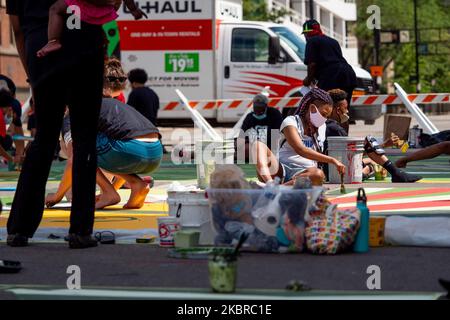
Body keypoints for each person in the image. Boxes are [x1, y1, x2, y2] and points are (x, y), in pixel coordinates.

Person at [7, 0, 106, 249]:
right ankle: (81, 231)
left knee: (44, 139)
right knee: (84, 139)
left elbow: (17, 29)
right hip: (83, 43)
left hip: (40, 47)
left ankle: (19, 229)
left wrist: (33, 75)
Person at [45, 97, 163, 210]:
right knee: (104, 146)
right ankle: (136, 183)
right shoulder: (110, 105)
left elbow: (75, 159)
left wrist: (56, 197)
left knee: (82, 147)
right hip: (155, 152)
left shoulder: (71, 116)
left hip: (129, 150)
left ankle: (108, 192)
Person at [325, 89, 422, 183]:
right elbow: (351, 154)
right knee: (369, 142)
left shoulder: (324, 126)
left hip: (328, 167)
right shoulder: (336, 129)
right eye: (345, 109)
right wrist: (383, 145)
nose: (347, 112)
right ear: (338, 110)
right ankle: (395, 173)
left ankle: (391, 172)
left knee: (371, 162)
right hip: (336, 170)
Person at [253, 88, 345, 186]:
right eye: (323, 114)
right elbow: (300, 149)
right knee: (258, 145)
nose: (325, 118)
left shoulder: (322, 127)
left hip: (303, 174)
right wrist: (332, 160)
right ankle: (269, 183)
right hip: (279, 170)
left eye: (327, 116)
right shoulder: (290, 122)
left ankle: (277, 188)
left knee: (318, 175)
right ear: (312, 108)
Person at [37, 0, 146, 57]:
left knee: (55, 9)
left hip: (85, 6)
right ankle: (103, 37)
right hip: (106, 8)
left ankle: (53, 40)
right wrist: (133, 9)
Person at [302, 19, 357, 133]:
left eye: (305, 34)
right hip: (348, 73)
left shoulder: (311, 42)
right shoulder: (333, 41)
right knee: (342, 110)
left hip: (332, 75)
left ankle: (327, 139)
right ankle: (343, 139)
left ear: (307, 34)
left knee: (324, 108)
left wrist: (308, 80)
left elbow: (312, 64)